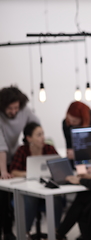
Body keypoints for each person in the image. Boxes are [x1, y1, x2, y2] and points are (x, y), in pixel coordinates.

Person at [9, 122, 63, 236]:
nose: (43, 138)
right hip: (29, 190)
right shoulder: (22, 151)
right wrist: (30, 174)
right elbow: (14, 171)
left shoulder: (49, 149)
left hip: (46, 188)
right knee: (30, 198)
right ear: (29, 138)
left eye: (43, 134)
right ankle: (25, 233)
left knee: (57, 199)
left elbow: (60, 167)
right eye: (38, 135)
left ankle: (56, 233)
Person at [0, 85, 39, 240]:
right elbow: (1, 147)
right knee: (2, 197)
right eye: (10, 108)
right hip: (1, 159)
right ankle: (7, 231)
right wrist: (3, 171)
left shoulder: (24, 110)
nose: (14, 111)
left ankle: (22, 229)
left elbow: (36, 127)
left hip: (14, 156)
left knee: (16, 195)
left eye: (16, 107)